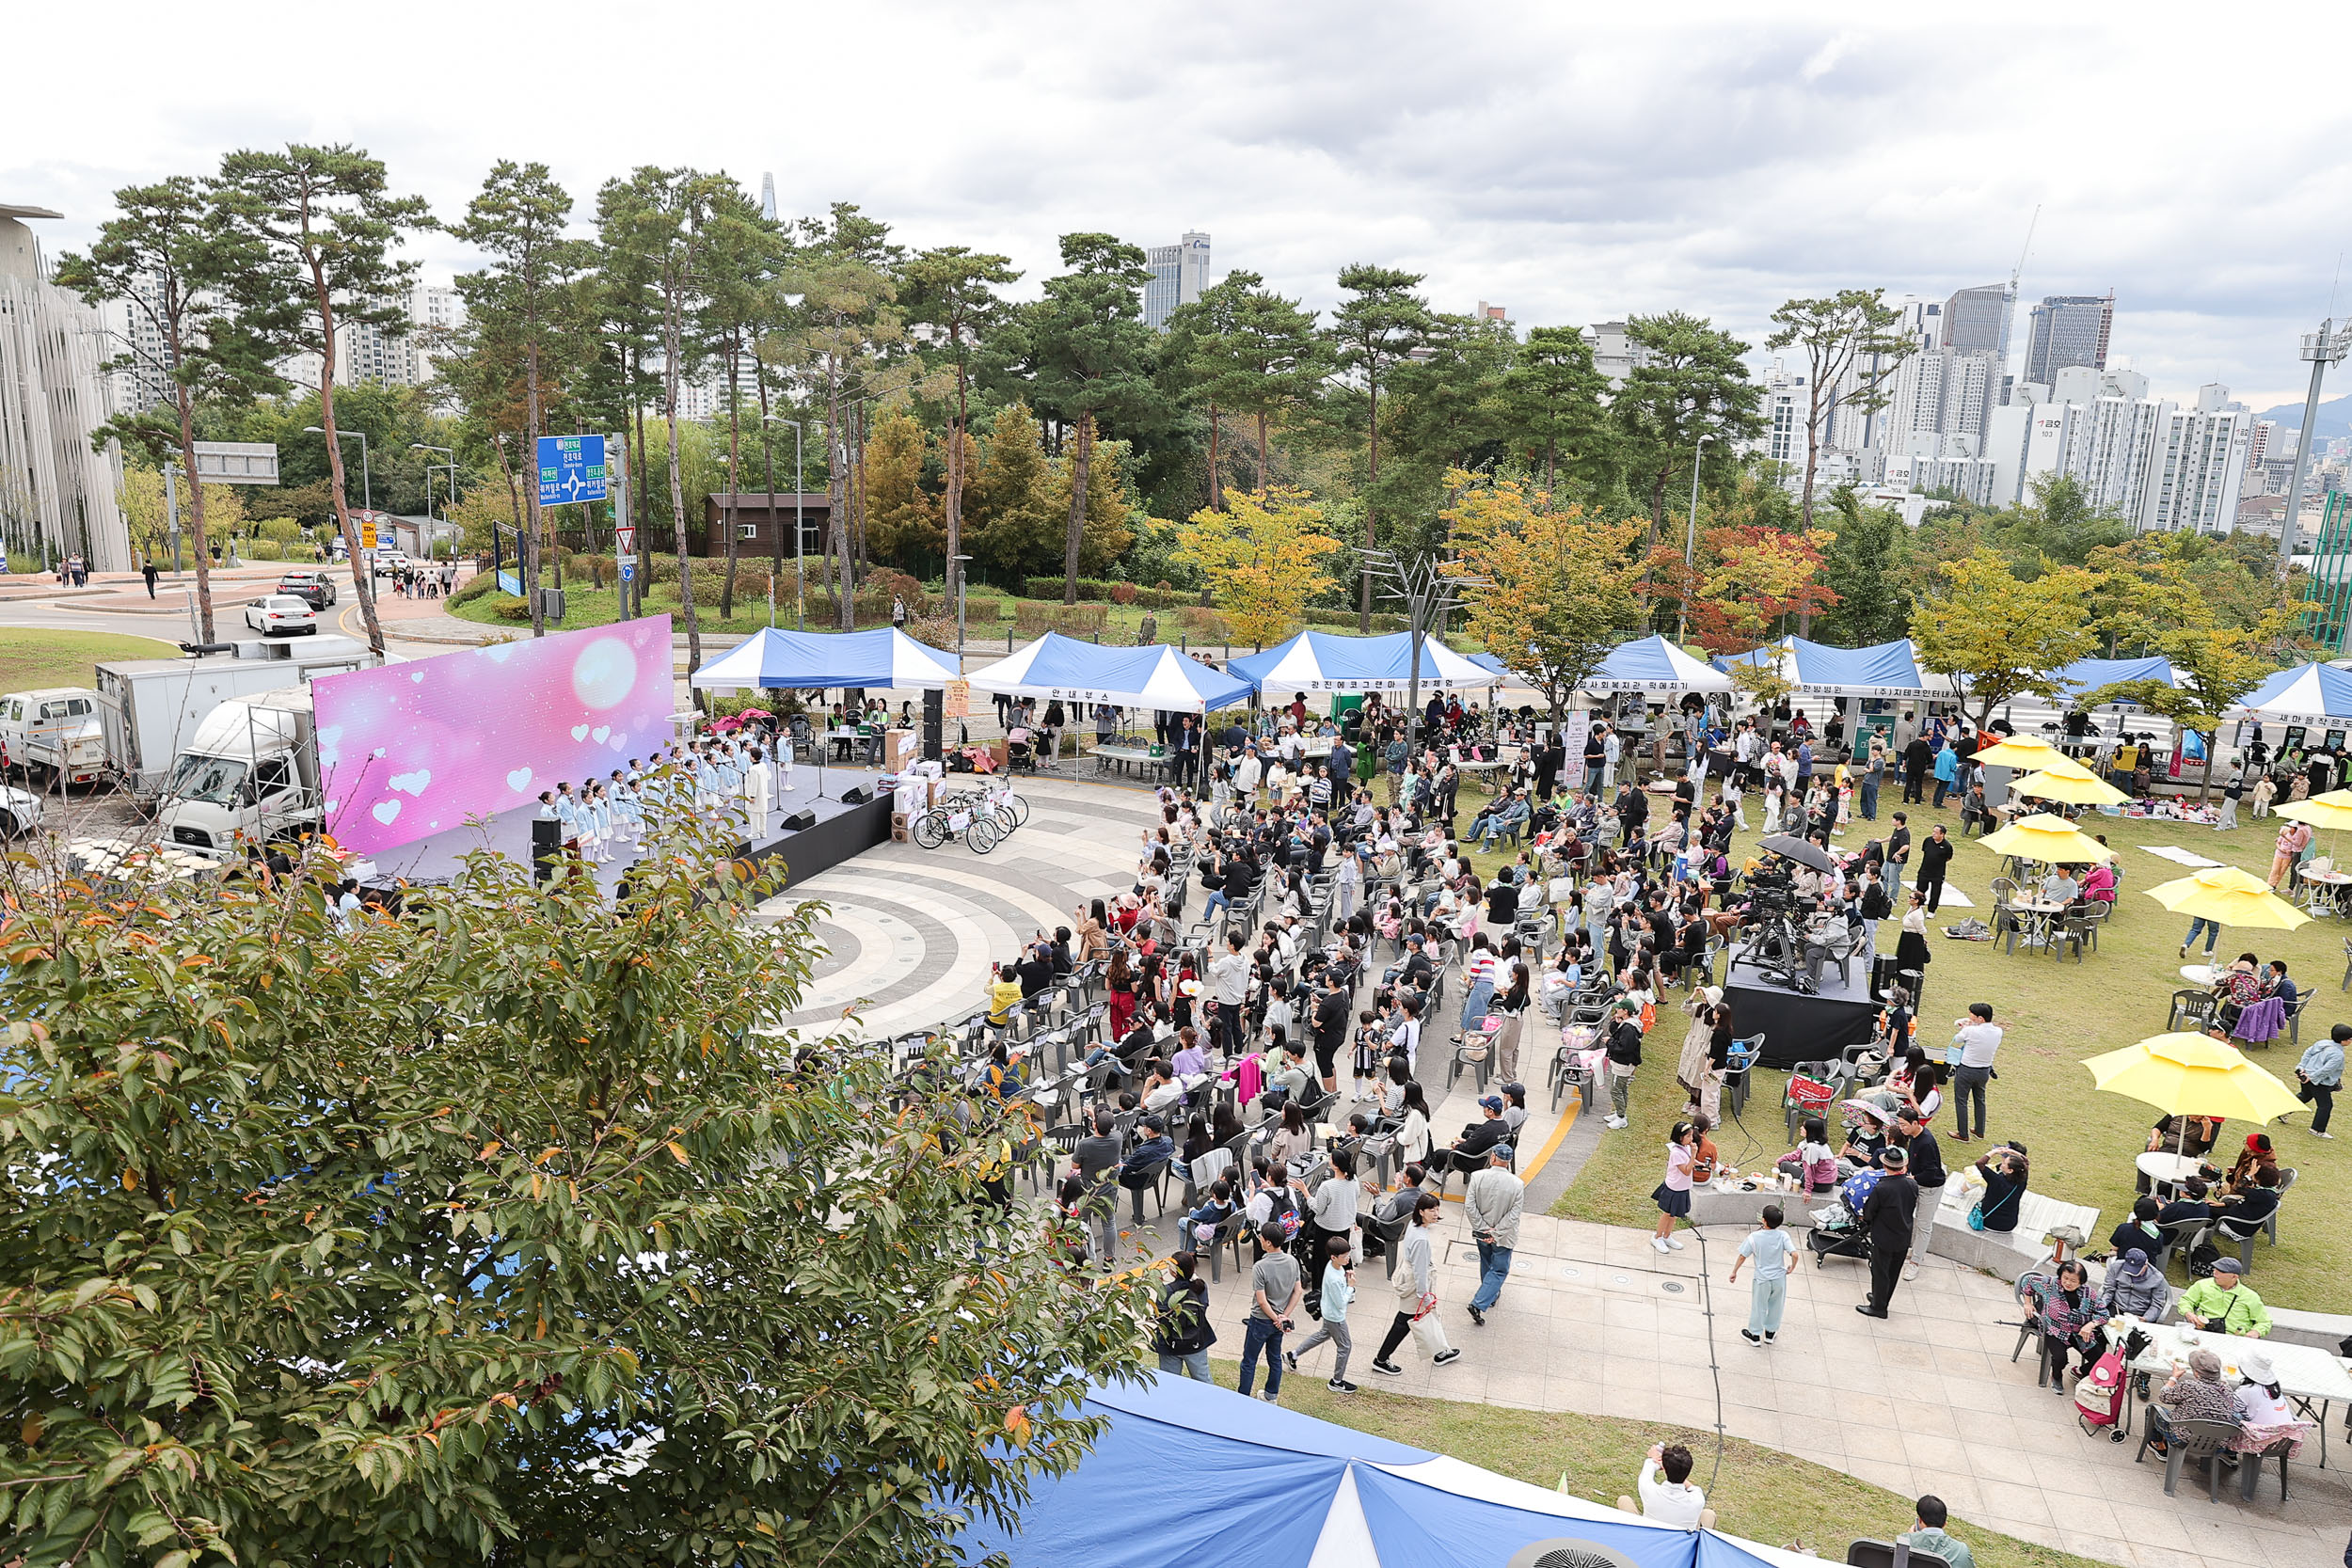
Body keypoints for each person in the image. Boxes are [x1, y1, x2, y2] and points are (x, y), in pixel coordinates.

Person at [1370, 1191, 1461, 1375]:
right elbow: (1420, 1271)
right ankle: (1381, 1359)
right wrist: (1424, 1295)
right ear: (1421, 1211)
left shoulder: (1414, 1225)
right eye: (1431, 1210)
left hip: (1410, 1278)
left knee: (1418, 1318)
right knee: (1405, 1321)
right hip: (1416, 1285)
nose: (1436, 1213)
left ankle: (1441, 1351)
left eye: (1437, 1209)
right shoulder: (1421, 1239)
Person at [1284, 1235, 1359, 1392]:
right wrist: (1350, 1287)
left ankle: (1293, 1354)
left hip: (1328, 1312)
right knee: (1345, 1347)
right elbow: (1340, 1302)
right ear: (1334, 1257)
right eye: (1345, 1257)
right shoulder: (1334, 1277)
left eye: (1348, 1255)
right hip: (1335, 1317)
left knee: (1323, 1334)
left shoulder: (1333, 1267)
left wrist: (1346, 1279)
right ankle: (1336, 1382)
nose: (1348, 1259)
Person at [1238, 1222, 1303, 1401]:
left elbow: (1261, 1300)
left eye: (1261, 1237)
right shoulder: (1292, 1261)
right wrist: (1283, 1317)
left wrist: (1275, 1318)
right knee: (1274, 1358)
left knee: (1249, 1361)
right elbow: (1298, 1291)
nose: (1259, 1239)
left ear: (1267, 1242)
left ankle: (1243, 1397)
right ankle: (1271, 1395)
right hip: (1280, 1321)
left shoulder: (1260, 1266)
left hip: (1260, 1320)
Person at [1463, 1144, 1523, 1325]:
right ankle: (1480, 1301)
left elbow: (1469, 1206)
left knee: (1486, 1262)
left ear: (1493, 1157)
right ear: (1509, 1161)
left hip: (1482, 1233)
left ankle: (1490, 1295)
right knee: (1499, 1269)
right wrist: (1496, 1233)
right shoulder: (1517, 1184)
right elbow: (1514, 1213)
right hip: (1504, 1237)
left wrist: (1483, 1229)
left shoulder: (1477, 1177)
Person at [1857, 1144, 1917, 1318]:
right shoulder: (1912, 1185)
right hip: (1903, 1235)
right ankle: (1881, 1299)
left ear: (1884, 1166)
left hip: (1884, 1237)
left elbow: (1869, 1212)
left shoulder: (1882, 1188)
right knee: (1893, 1272)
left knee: (1880, 1272)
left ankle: (1878, 1307)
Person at [2146, 1347, 2237, 1457]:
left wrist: (2173, 1378)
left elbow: (2164, 1396)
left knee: (2152, 1409)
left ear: (2197, 1373)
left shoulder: (2190, 1386)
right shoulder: (2227, 1390)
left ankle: (2159, 1446)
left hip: (2183, 1440)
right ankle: (2207, 1464)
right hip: (2216, 1445)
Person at [1729, 1202, 1799, 1346]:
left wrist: (1734, 1271)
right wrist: (1792, 1267)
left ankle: (1755, 1335)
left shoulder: (1754, 1237)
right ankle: (1770, 1333)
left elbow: (1743, 1256)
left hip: (1762, 1279)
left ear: (1764, 1220)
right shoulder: (1783, 1235)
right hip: (1779, 1278)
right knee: (1776, 1305)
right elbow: (1795, 1254)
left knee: (1759, 1306)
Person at [2032, 1259, 2106, 1393]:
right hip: (2054, 1329)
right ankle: (2056, 1376)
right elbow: (2028, 1282)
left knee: (2101, 1360)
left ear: (2081, 1282)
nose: (2068, 1283)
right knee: (2060, 1358)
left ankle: (2079, 1372)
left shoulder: (2089, 1293)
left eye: (2073, 1280)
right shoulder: (2050, 1284)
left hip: (2079, 1332)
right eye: (2065, 1278)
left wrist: (2091, 1324)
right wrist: (2027, 1302)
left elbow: (2104, 1314)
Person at [1896, 1106, 1945, 1279]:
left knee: (1924, 1225)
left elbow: (1931, 1172)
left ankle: (1915, 1262)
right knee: (1913, 1220)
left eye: (1904, 1125)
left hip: (1930, 1188)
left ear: (1915, 1123)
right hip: (1917, 1183)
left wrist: (1912, 1178)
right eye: (1900, 1124)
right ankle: (1915, 1251)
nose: (1901, 1128)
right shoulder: (1914, 1136)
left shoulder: (1926, 1143)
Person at [1152, 1253, 1216, 1381]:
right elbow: (1203, 1309)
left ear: (1174, 1272)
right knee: (1203, 1381)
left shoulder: (1166, 1291)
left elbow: (1160, 1318)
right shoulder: (1200, 1286)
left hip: (1171, 1344)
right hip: (1195, 1342)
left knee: (1170, 1382)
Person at [1619, 1443, 1710, 1529]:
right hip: (1681, 1544)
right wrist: (1672, 1469)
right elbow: (1692, 1487)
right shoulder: (1697, 1499)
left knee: (1624, 1500)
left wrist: (1655, 1459)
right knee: (1709, 1514)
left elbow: (1648, 1468)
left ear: (1665, 1469)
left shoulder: (1649, 1490)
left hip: (1648, 1538)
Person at [2177, 1256, 2271, 1338]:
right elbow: (2186, 1300)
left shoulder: (2250, 1296)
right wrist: (2188, 1312)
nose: (2215, 1273)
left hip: (2234, 1338)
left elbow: (2264, 1322)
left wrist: (2256, 1332)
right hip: (2203, 1333)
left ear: (2234, 1277)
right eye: (2215, 1269)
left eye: (2221, 1271)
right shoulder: (2202, 1285)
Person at [1947, 1004, 2000, 1142]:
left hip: (1966, 1070)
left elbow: (1958, 1039)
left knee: (1961, 1101)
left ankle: (1963, 1133)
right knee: (1980, 1100)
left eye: (1972, 1014)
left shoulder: (1970, 1031)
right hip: (1984, 1071)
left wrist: (1965, 1028)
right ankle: (1979, 1130)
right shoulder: (1998, 1032)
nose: (1969, 1016)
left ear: (1980, 1018)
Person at [1652, 1121, 1695, 1253]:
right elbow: (1686, 1170)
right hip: (1674, 1188)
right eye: (1688, 1136)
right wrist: (1694, 1154)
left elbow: (1690, 1162)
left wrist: (1700, 1162)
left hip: (1683, 1187)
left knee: (1674, 1215)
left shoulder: (1686, 1148)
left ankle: (1667, 1235)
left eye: (1691, 1136)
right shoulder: (1676, 1152)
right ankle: (1657, 1237)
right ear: (1679, 1137)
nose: (1691, 1139)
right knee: (1667, 1214)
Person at [2296, 1022, 2345, 1138]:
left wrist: (2300, 1068)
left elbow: (2308, 1052)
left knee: (2305, 1095)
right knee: (2325, 1105)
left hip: (2306, 1075)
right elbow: (2326, 1070)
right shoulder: (2338, 1055)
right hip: (2319, 1082)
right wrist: (2312, 1078)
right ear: (2344, 1041)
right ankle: (2317, 1129)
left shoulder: (2322, 1043)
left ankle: (2284, 1111)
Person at [1899, 1497, 1977, 1568]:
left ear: (1920, 1520)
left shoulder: (1904, 1543)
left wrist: (1908, 1538)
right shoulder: (1961, 1550)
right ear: (1944, 1524)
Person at [2100, 1246, 2172, 1323]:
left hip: (2140, 1313)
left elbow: (2157, 1304)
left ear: (2146, 1264)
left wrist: (2146, 1318)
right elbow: (2109, 1290)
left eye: (2136, 1270)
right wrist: (2102, 1304)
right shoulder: (2116, 1267)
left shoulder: (2157, 1278)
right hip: (2116, 1307)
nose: (2133, 1274)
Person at [1970, 1146, 2027, 1234]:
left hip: (1989, 1222)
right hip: (2009, 1225)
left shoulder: (1997, 1180)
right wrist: (2013, 1152)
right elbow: (2026, 1162)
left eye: (2004, 1163)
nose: (2002, 1163)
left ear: (2010, 1170)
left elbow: (1980, 1163)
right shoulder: (2022, 1180)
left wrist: (1994, 1151)